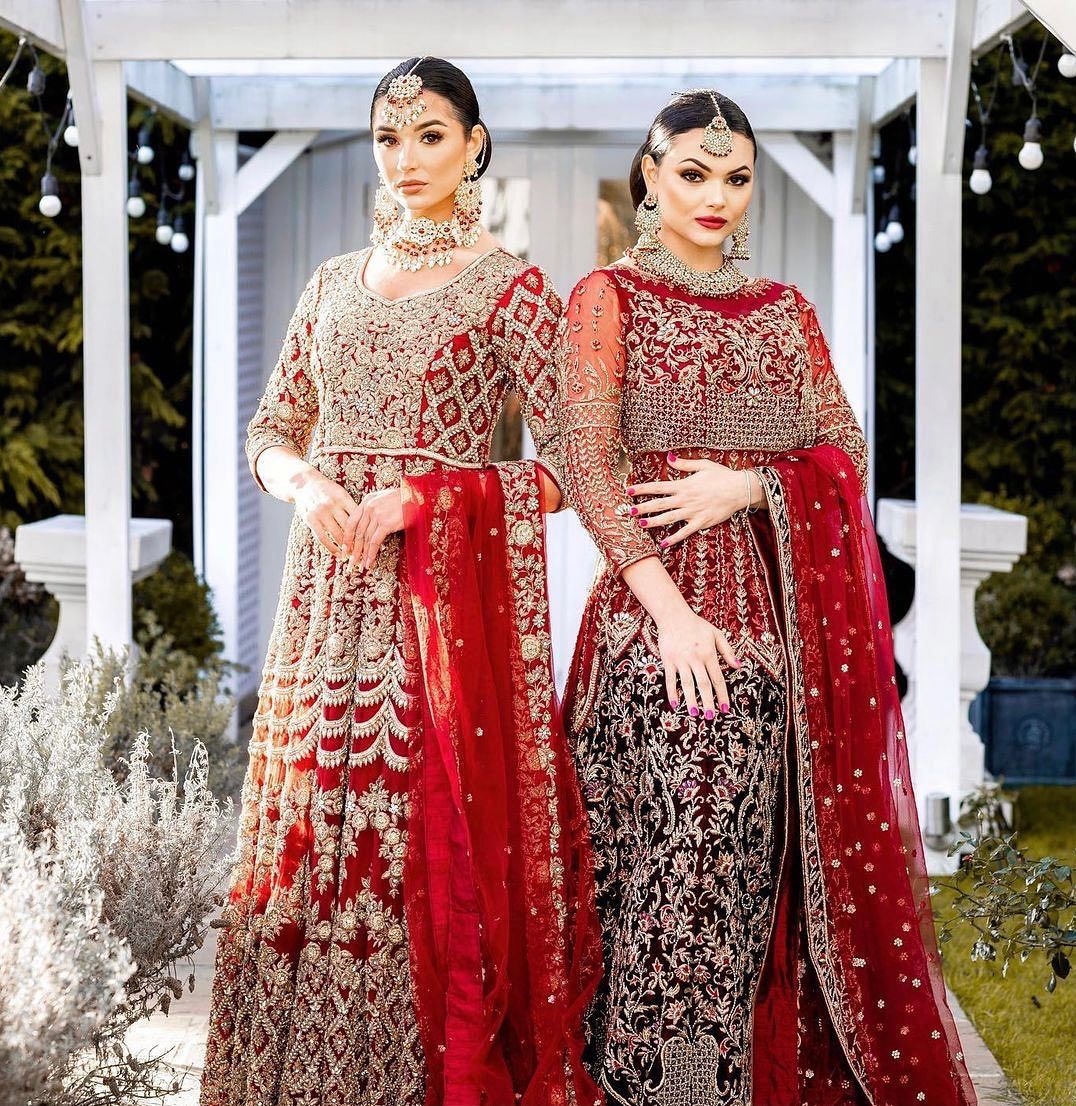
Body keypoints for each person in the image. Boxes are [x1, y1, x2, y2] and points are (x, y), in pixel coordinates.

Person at [559, 88, 978, 1106]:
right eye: (693, 173)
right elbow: (586, 465)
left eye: (737, 178)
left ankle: (704, 1085)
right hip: (648, 624)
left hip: (767, 634)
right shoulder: (606, 300)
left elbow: (843, 451)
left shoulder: (783, 314)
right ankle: (644, 1082)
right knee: (649, 874)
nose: (716, 196)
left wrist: (748, 485)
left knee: (733, 880)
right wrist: (671, 617)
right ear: (649, 175)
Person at [201, 56, 601, 1106]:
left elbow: (573, 469)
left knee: (415, 844)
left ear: (474, 145)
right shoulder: (331, 282)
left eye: (430, 136)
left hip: (436, 619)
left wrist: (432, 497)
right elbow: (269, 430)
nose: (407, 158)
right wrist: (302, 482)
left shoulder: (510, 289)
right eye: (389, 137)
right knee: (306, 832)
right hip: (321, 607)